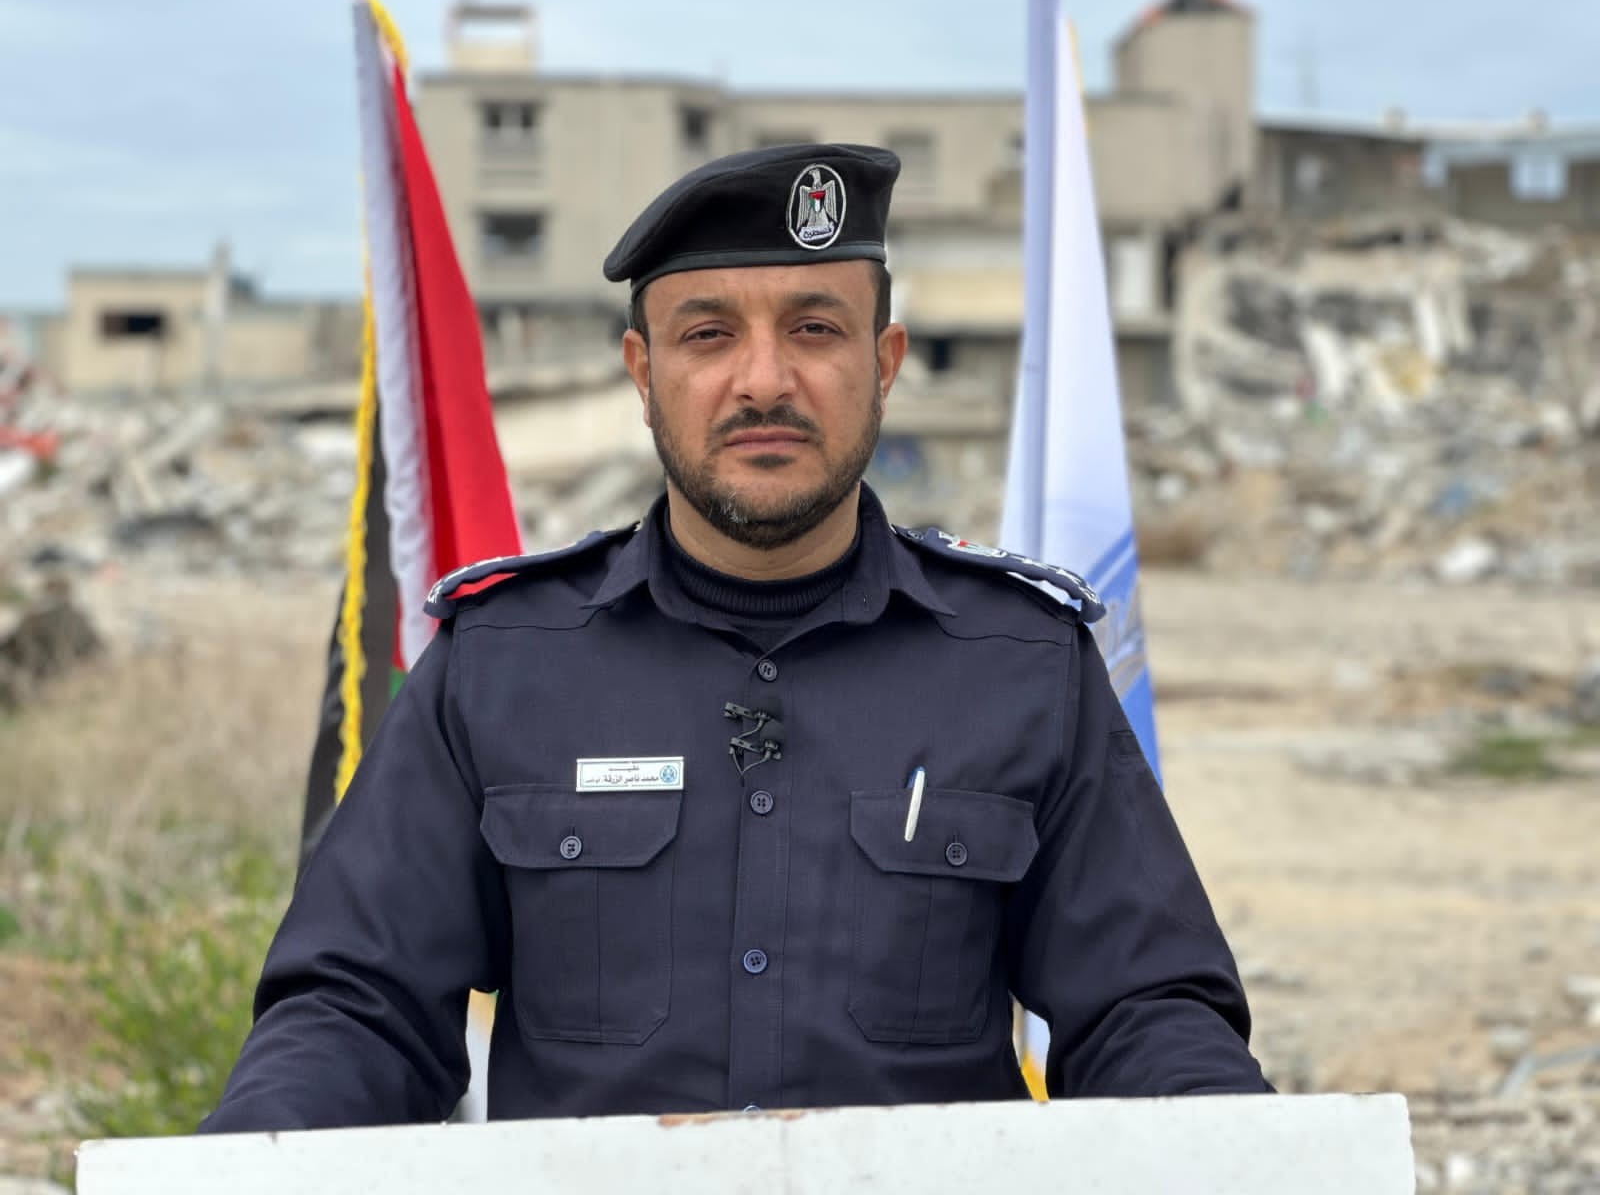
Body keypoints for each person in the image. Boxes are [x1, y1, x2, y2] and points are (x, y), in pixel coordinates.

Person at [200, 142, 1268, 1132]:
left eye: (815, 330)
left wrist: (1244, 1153)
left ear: (885, 361)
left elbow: (1144, 1012)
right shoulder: (502, 663)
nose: (763, 382)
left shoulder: (1021, 666)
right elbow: (358, 1007)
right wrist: (249, 1161)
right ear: (642, 371)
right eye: (708, 335)